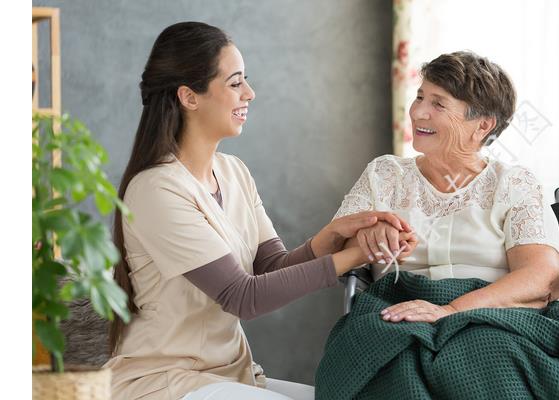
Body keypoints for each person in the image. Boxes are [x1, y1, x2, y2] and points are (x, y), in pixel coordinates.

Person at [103, 22, 417, 400]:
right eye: (235, 83)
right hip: (164, 381)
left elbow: (269, 269)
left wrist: (328, 240)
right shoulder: (156, 189)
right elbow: (243, 296)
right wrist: (355, 255)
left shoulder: (234, 172)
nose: (249, 93)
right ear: (189, 96)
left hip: (233, 376)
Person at [336, 50, 559, 323]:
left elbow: (543, 278)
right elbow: (333, 251)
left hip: (494, 321)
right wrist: (368, 233)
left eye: (438, 104)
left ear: (482, 126)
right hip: (394, 316)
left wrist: (452, 310)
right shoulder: (384, 175)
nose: (418, 112)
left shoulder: (514, 184)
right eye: (419, 97)